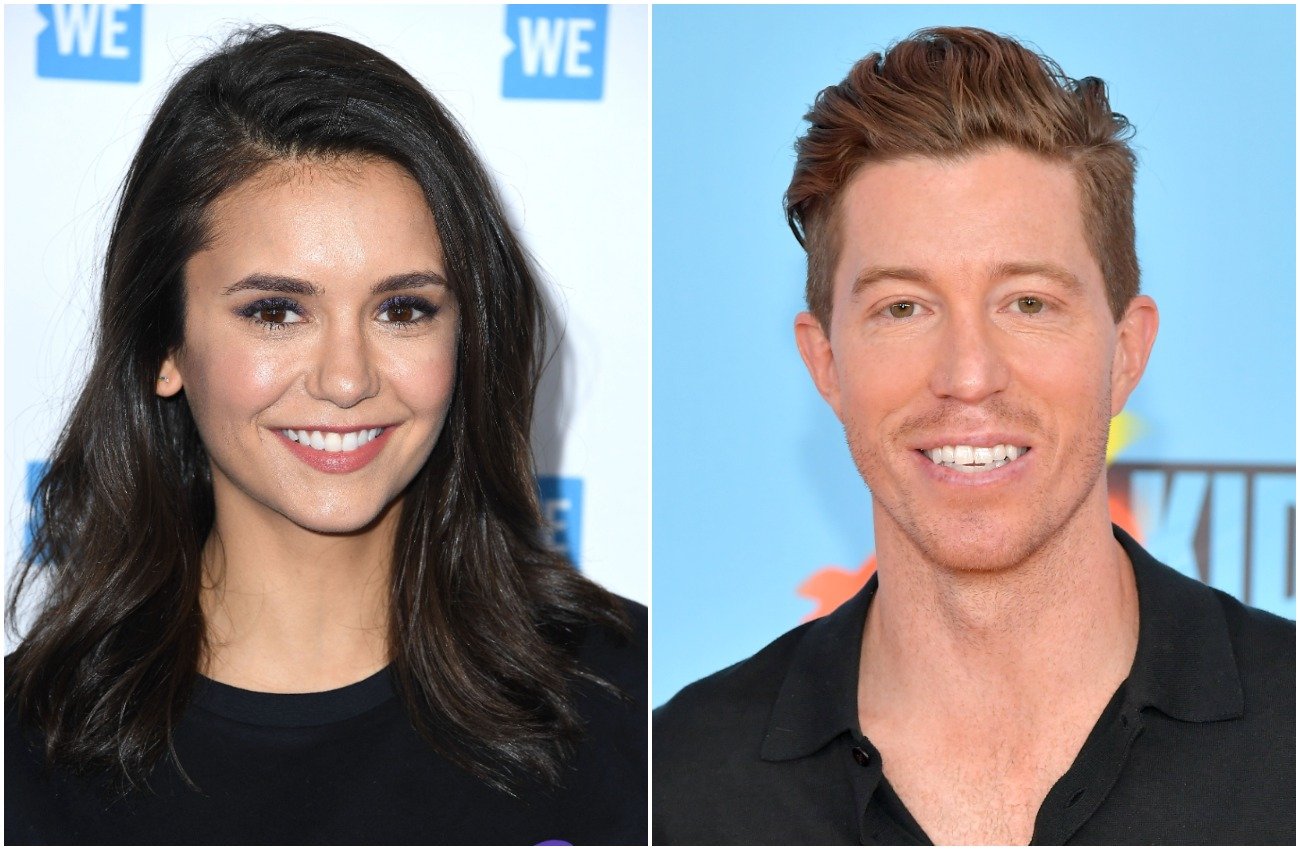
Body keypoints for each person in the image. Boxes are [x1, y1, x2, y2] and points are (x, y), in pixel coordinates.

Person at [653, 26, 1294, 845]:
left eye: (1027, 303)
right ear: (825, 363)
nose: (967, 372)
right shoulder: (678, 785)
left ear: (1126, 351)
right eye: (903, 308)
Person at [6, 26, 646, 845]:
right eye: (276, 312)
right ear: (162, 346)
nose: (347, 380)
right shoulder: (24, 760)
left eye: (402, 309)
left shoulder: (632, 705)